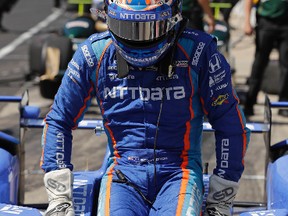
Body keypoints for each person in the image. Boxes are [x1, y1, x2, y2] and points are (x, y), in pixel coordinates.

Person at [40, 0, 250, 215]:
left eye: (149, 27)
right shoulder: (92, 54)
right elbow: (59, 120)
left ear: (172, 19)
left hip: (180, 173)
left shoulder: (199, 52)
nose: (137, 38)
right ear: (109, 19)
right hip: (123, 173)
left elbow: (230, 123)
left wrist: (222, 193)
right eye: (127, 27)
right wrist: (59, 197)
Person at [243, 0, 288, 117]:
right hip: (266, 23)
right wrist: (247, 22)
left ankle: (283, 104)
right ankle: (249, 103)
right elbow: (248, 2)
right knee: (259, 64)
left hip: (285, 25)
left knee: (286, 66)